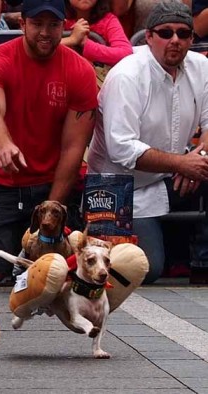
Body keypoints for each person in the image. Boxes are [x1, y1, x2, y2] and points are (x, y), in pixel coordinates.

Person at [0, 0, 98, 284]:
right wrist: (4, 144)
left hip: (53, 186)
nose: (46, 32)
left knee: (64, 274)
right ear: (22, 23)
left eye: (54, 25)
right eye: (37, 24)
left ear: (66, 26)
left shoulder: (80, 70)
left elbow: (74, 148)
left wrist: (53, 207)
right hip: (3, 186)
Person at [87, 1, 208, 284]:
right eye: (165, 33)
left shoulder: (202, 66)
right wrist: (183, 163)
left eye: (183, 33)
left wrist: (199, 159)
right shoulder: (127, 75)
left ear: (193, 38)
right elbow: (122, 149)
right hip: (118, 189)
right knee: (144, 271)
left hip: (173, 176)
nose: (175, 40)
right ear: (149, 36)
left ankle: (203, 263)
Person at [62, 0, 133, 66]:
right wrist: (72, 39)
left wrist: (86, 43)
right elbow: (50, 46)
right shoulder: (57, 17)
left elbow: (126, 53)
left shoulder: (108, 20)